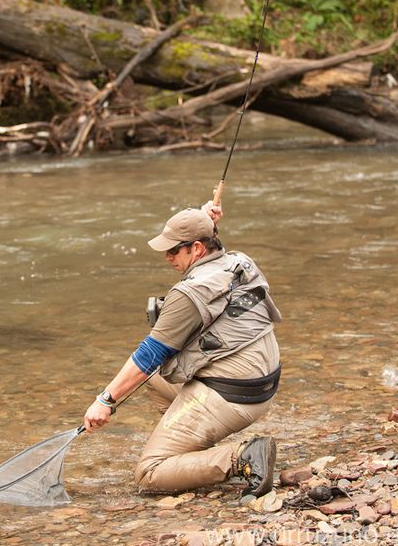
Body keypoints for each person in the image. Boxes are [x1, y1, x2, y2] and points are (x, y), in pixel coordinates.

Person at [82, 202, 281, 497]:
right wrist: (205, 219)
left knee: (149, 474)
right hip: (263, 382)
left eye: (174, 250)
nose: (167, 257)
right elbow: (214, 253)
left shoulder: (189, 294)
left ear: (197, 248)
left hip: (233, 394)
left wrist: (106, 400)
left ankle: (241, 457)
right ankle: (191, 452)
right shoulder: (239, 262)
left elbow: (149, 355)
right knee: (154, 381)